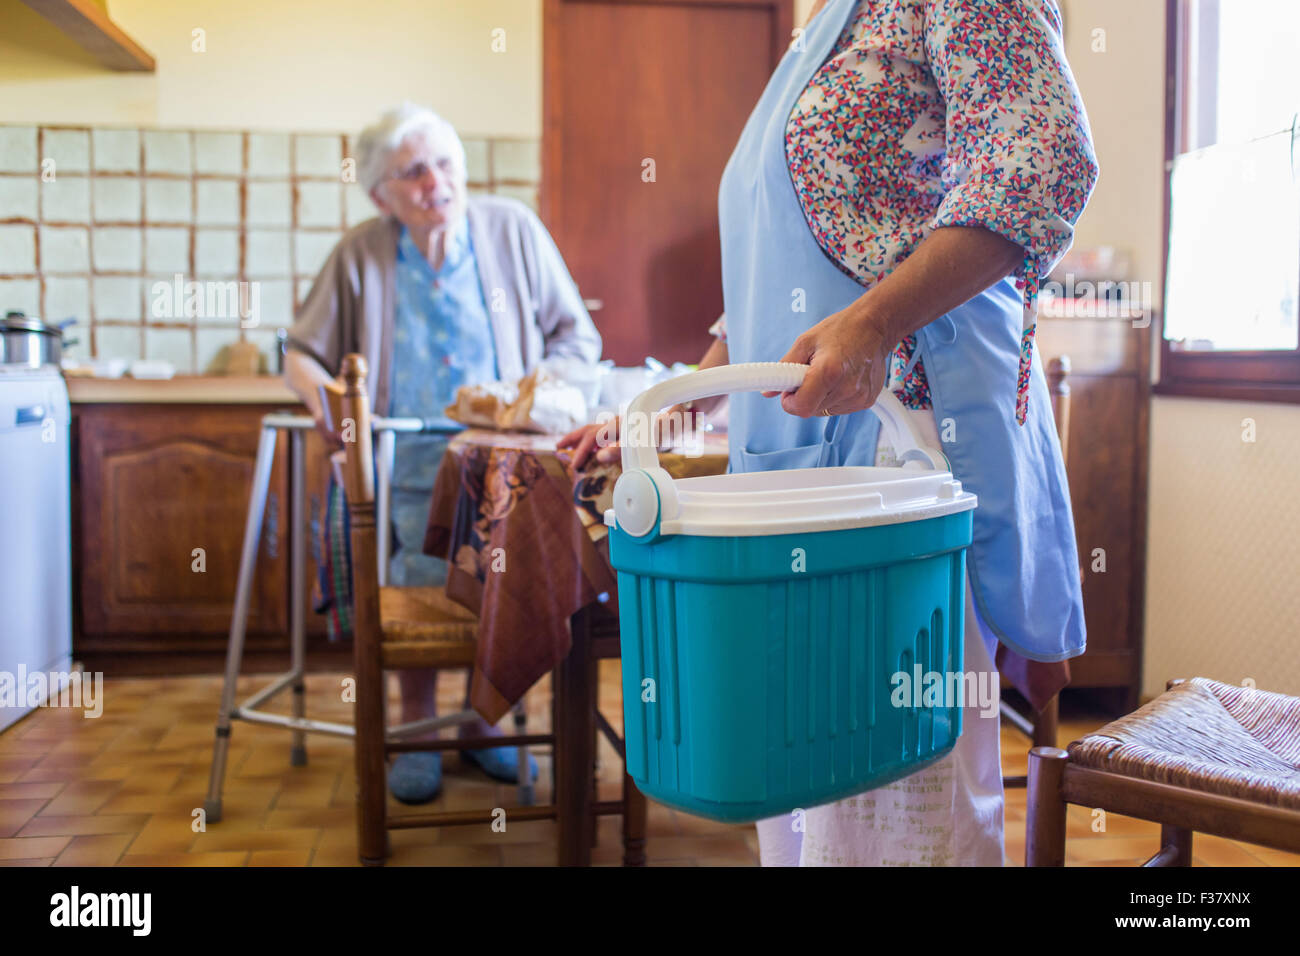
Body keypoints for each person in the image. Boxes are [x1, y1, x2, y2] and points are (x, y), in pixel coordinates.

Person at [562, 0, 1097, 865]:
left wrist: (877, 324)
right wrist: (683, 396)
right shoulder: (826, 24)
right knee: (804, 782)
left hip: (908, 441)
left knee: (896, 801)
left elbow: (1035, 166)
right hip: (809, 457)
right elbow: (778, 267)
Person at [285, 103, 601, 804]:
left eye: (445, 164)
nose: (436, 182)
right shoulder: (362, 253)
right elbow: (300, 354)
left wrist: (533, 398)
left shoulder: (512, 229)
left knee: (498, 590)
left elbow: (577, 340)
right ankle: (419, 729)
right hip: (407, 465)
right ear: (381, 195)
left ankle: (481, 725)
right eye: (413, 172)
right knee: (420, 585)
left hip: (506, 466)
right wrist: (330, 405)